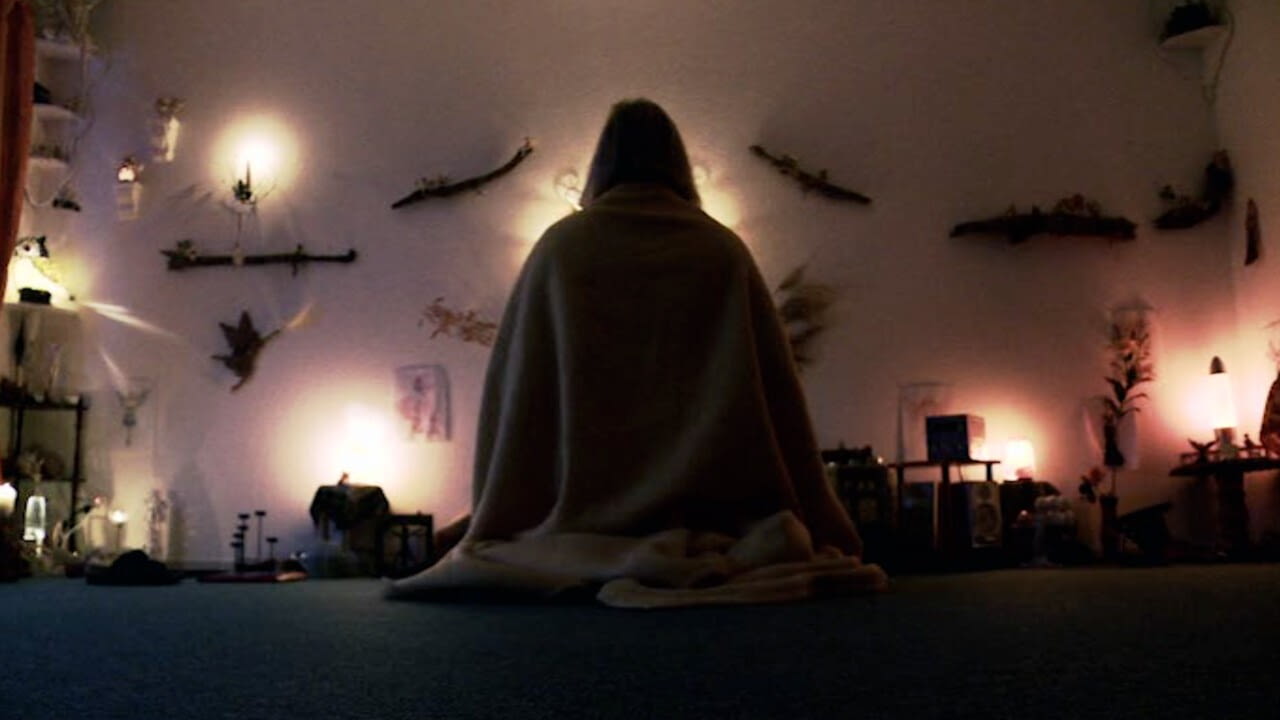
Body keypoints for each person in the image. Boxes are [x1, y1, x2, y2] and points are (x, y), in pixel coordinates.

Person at [389, 99, 886, 607]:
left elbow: (519, 397)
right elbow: (776, 397)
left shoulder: (561, 248)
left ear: (600, 163)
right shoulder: (720, 250)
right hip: (715, 518)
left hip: (576, 528)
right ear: (678, 161)